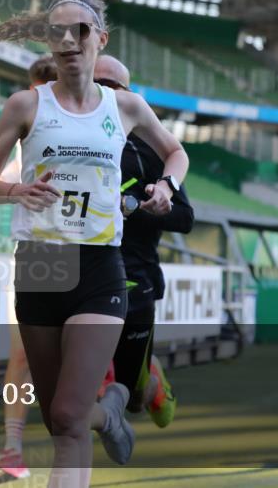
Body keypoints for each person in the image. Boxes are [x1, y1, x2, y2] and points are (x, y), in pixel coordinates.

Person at [0, 0, 189, 488]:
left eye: (81, 31)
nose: (69, 40)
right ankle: (109, 417)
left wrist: (165, 188)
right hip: (39, 267)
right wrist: (15, 190)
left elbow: (176, 152)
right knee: (57, 419)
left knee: (70, 415)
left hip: (99, 269)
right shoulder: (25, 104)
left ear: (100, 39)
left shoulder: (127, 107)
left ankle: (106, 414)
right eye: (57, 32)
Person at [94, 54, 192, 429]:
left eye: (113, 86)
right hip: (80, 271)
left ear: (129, 96)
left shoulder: (150, 151)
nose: (105, 93)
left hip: (136, 276)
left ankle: (151, 383)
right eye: (98, 83)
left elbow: (186, 217)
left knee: (131, 396)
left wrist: (156, 202)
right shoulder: (69, 139)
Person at [0, 55, 58, 485]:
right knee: (22, 356)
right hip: (36, 255)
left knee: (69, 365)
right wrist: (17, 190)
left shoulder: (93, 125)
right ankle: (12, 451)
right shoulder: (22, 131)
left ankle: (85, 428)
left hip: (87, 257)